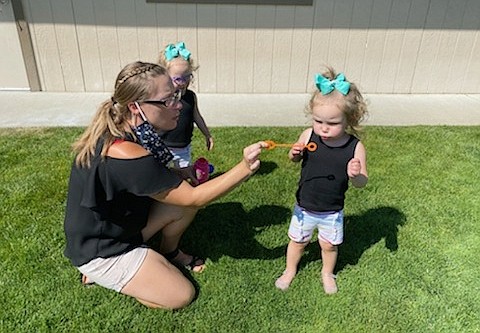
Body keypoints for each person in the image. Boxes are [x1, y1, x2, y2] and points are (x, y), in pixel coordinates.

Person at [63, 61, 266, 310]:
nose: (178, 105)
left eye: (177, 95)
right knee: (180, 295)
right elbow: (195, 198)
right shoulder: (125, 153)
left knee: (183, 197)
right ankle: (101, 273)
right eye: (168, 100)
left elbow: (151, 178)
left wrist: (180, 172)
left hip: (122, 226)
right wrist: (244, 168)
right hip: (104, 249)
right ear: (135, 107)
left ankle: (168, 253)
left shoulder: (130, 131)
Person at [274, 67, 368, 294]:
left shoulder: (355, 147)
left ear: (349, 120)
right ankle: (289, 269)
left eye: (333, 123)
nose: (324, 128)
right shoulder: (308, 135)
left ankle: (327, 273)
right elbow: (293, 159)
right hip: (304, 206)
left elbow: (362, 182)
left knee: (329, 245)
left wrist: (355, 175)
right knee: (298, 241)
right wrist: (294, 154)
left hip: (332, 210)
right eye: (318, 121)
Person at [157, 42, 213, 169]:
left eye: (187, 77)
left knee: (183, 177)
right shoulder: (162, 99)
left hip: (183, 148)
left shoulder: (190, 97)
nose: (184, 82)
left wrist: (207, 134)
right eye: (178, 79)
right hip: (163, 145)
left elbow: (197, 117)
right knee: (163, 177)